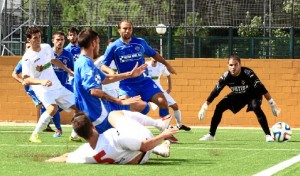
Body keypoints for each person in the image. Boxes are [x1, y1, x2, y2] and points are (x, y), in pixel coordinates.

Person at [74, 29, 172, 135]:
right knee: (132, 138)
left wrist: (130, 74)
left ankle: (158, 124)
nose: (99, 46)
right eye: (98, 43)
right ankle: (152, 136)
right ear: (93, 43)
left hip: (101, 108)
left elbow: (106, 79)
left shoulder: (85, 61)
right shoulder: (85, 64)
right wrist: (118, 101)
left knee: (141, 105)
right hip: (99, 114)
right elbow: (94, 91)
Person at [100, 20, 177, 142]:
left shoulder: (140, 42)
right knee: (138, 107)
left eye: (129, 28)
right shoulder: (113, 47)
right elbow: (103, 65)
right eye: (124, 28)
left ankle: (166, 132)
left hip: (144, 82)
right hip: (127, 84)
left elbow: (154, 54)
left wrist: (167, 64)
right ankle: (118, 131)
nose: (127, 31)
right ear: (119, 30)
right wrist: (111, 72)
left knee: (163, 102)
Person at [198, 55, 281, 142]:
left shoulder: (248, 73)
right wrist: (204, 107)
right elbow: (215, 92)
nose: (233, 67)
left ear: (240, 65)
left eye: (235, 65)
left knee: (256, 107)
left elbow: (261, 88)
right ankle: (211, 135)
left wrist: (272, 104)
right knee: (219, 106)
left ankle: (268, 135)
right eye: (231, 65)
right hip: (238, 95)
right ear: (228, 66)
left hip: (253, 94)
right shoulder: (226, 76)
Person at [46, 111, 179, 164]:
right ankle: (159, 124)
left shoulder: (85, 153)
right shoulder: (113, 137)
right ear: (93, 126)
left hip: (131, 157)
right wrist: (164, 134)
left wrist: (46, 162)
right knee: (113, 114)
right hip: (143, 147)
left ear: (80, 135)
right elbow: (144, 145)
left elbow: (65, 157)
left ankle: (160, 149)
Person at [22, 26, 80, 143]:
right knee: (53, 108)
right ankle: (34, 135)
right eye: (35, 38)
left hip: (56, 86)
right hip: (41, 88)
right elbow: (26, 80)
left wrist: (68, 71)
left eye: (39, 37)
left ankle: (74, 135)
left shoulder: (47, 47)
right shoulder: (27, 58)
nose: (38, 40)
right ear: (29, 40)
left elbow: (54, 60)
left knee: (80, 107)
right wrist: (41, 81)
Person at [12, 42, 59, 133]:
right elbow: (14, 74)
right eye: (27, 47)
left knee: (50, 104)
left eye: (30, 46)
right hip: (32, 88)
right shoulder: (23, 61)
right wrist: (23, 81)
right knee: (42, 104)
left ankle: (45, 125)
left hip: (41, 85)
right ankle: (41, 125)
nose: (29, 48)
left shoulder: (39, 57)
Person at [146, 49, 191, 132]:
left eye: (157, 55)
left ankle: (179, 125)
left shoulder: (161, 66)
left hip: (159, 91)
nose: (155, 57)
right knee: (142, 108)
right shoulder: (146, 65)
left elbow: (168, 75)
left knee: (175, 106)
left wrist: (170, 88)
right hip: (147, 90)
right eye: (153, 55)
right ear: (150, 56)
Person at [51, 31, 75, 137]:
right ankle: (58, 130)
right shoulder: (48, 54)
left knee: (76, 104)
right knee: (53, 106)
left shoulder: (68, 54)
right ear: (53, 41)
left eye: (62, 40)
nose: (60, 42)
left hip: (64, 86)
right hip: (50, 87)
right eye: (58, 40)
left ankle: (78, 131)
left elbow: (72, 70)